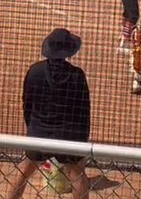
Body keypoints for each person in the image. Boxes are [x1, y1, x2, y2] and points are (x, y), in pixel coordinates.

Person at [7, 28, 91, 199]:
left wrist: (33, 130)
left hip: (39, 132)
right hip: (68, 135)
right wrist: (81, 140)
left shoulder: (35, 71)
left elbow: (27, 104)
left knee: (24, 171)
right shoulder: (77, 75)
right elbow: (83, 111)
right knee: (78, 176)